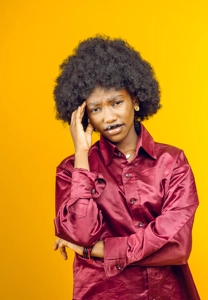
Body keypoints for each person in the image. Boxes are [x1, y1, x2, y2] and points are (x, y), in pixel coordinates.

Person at [53, 36, 200, 300]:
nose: (108, 117)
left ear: (136, 99)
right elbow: (81, 232)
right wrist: (82, 156)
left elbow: (177, 247)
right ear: (85, 116)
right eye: (96, 109)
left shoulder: (173, 162)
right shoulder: (70, 170)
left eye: (116, 102)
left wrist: (95, 251)